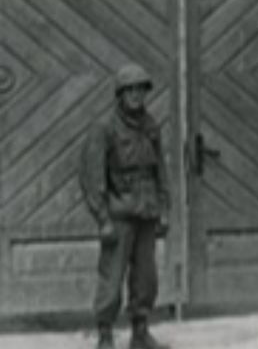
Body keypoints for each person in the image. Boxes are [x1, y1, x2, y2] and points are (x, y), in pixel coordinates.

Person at [81, 64, 171, 349]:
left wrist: (164, 208)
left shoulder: (151, 126)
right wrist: (102, 217)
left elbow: (161, 171)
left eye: (140, 89)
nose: (135, 95)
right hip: (119, 214)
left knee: (146, 276)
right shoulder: (104, 129)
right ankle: (105, 334)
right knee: (112, 275)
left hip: (146, 212)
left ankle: (140, 331)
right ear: (119, 95)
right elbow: (92, 174)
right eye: (129, 90)